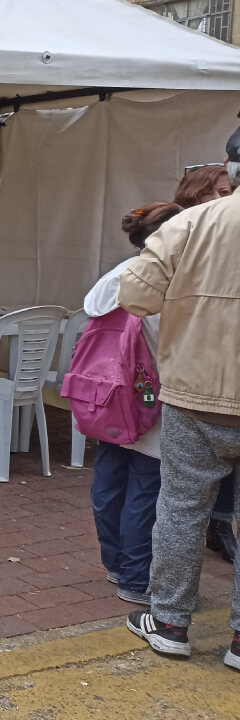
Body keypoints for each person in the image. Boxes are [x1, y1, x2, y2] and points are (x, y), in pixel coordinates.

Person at [119, 192, 240, 671]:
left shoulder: (193, 223)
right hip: (198, 393)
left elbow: (135, 295)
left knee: (182, 509)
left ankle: (169, 623)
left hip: (196, 392)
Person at [83, 202, 180, 607]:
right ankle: (137, 577)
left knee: (109, 478)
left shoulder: (113, 278)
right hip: (151, 395)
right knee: (146, 487)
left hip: (109, 393)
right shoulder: (168, 282)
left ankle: (116, 563)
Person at [173, 166, 237, 564]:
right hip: (191, 374)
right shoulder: (181, 234)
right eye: (214, 192)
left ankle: (169, 617)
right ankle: (169, 613)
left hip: (223, 372)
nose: (223, 200)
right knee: (184, 498)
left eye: (227, 191)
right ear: (194, 196)